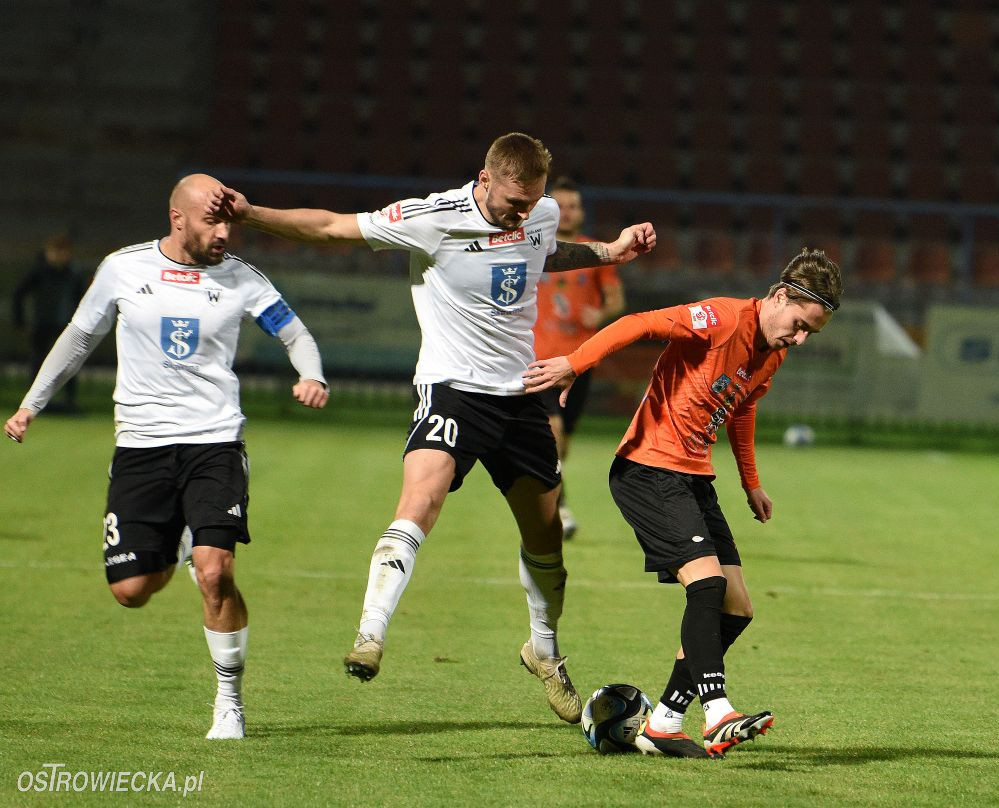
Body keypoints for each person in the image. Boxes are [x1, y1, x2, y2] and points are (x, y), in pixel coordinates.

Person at [205, 132, 655, 724]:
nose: (521, 215)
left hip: (520, 397)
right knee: (420, 500)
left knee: (546, 541)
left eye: (532, 204)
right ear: (485, 178)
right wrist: (252, 213)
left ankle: (543, 649)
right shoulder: (431, 217)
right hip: (452, 389)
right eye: (512, 204)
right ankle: (370, 635)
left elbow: (546, 250)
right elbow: (335, 226)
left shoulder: (539, 212)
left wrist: (608, 251)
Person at [4, 174, 330, 740]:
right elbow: (79, 337)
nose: (225, 232)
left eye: (229, 220)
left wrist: (312, 373)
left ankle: (229, 702)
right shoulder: (123, 269)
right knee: (132, 591)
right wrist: (31, 404)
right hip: (141, 445)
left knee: (215, 572)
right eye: (213, 220)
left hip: (215, 441)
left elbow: (294, 332)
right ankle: (174, 542)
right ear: (178, 218)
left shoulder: (243, 279)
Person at [525, 248, 842, 755]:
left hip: (694, 477)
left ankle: (665, 723)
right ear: (780, 296)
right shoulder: (719, 318)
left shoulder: (773, 353)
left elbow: (742, 410)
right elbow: (634, 324)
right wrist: (574, 362)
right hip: (648, 469)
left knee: (737, 608)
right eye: (801, 324)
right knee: (708, 584)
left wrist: (751, 482)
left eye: (813, 333)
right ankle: (717, 711)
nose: (801, 338)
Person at [533, 176, 626, 538]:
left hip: (582, 360)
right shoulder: (532, 246)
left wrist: (599, 315)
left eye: (573, 206)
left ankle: (551, 492)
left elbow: (617, 301)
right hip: (539, 359)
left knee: (563, 444)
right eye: (561, 206)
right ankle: (561, 509)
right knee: (552, 433)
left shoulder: (596, 252)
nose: (568, 213)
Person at [13, 233, 87, 411]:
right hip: (42, 324)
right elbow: (19, 294)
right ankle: (34, 404)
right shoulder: (39, 272)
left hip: (66, 326)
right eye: (56, 252)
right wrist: (20, 321)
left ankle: (69, 402)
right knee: (39, 363)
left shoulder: (74, 274)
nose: (59, 256)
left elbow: (83, 300)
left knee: (69, 364)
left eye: (63, 252)